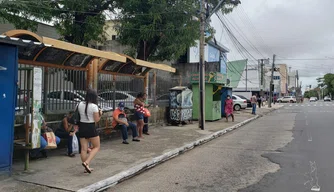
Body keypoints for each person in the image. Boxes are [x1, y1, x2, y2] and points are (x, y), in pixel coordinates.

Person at [77, 89, 102, 174]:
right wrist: (100, 114)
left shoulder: (80, 104)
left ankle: (86, 168)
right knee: (96, 147)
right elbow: (96, 120)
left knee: (83, 149)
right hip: (90, 127)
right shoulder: (94, 106)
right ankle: (86, 162)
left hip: (82, 126)